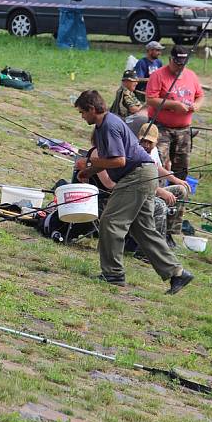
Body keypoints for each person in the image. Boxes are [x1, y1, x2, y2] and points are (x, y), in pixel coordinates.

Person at [73, 90, 193, 294]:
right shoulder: (105, 125)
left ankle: (113, 274)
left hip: (136, 176)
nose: (82, 116)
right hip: (144, 173)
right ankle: (178, 273)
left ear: (92, 109)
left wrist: (89, 161)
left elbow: (119, 161)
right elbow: (111, 159)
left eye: (82, 112)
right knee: (143, 229)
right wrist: (88, 171)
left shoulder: (109, 125)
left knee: (111, 221)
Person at [145, 44, 204, 180]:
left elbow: (200, 95)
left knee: (182, 165)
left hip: (184, 129)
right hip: (161, 127)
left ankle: (178, 195)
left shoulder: (191, 75)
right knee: (158, 161)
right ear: (170, 59)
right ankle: (158, 194)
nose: (180, 68)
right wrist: (174, 105)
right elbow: (151, 100)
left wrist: (197, 105)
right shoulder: (158, 75)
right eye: (177, 64)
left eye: (183, 64)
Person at [137, 123, 190, 249]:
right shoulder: (135, 152)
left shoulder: (154, 151)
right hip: (140, 193)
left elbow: (158, 167)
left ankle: (168, 233)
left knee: (181, 190)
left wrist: (175, 179)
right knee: (161, 203)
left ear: (156, 142)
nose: (146, 145)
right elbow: (140, 182)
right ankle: (154, 245)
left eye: (149, 142)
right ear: (138, 138)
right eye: (143, 141)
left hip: (152, 190)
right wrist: (160, 192)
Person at [110, 69, 148, 135]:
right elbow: (133, 109)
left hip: (119, 119)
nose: (136, 83)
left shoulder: (128, 91)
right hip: (121, 121)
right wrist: (144, 108)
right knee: (144, 119)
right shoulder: (125, 91)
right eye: (133, 81)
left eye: (136, 81)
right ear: (125, 81)